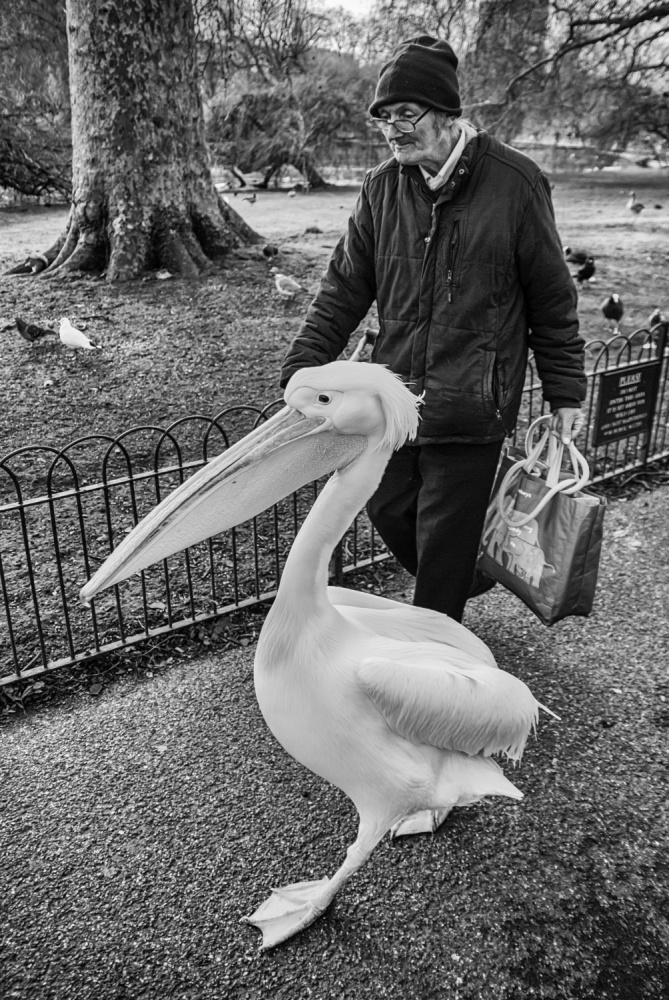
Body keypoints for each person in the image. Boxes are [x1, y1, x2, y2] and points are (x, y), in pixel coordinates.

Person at [280, 34, 586, 623]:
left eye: (406, 114)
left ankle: (441, 671)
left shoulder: (516, 184)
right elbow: (344, 288)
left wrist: (565, 390)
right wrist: (302, 367)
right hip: (399, 400)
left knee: (441, 551)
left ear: (447, 115)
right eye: (384, 118)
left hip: (473, 402)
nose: (393, 129)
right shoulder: (381, 187)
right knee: (390, 511)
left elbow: (552, 298)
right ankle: (467, 575)